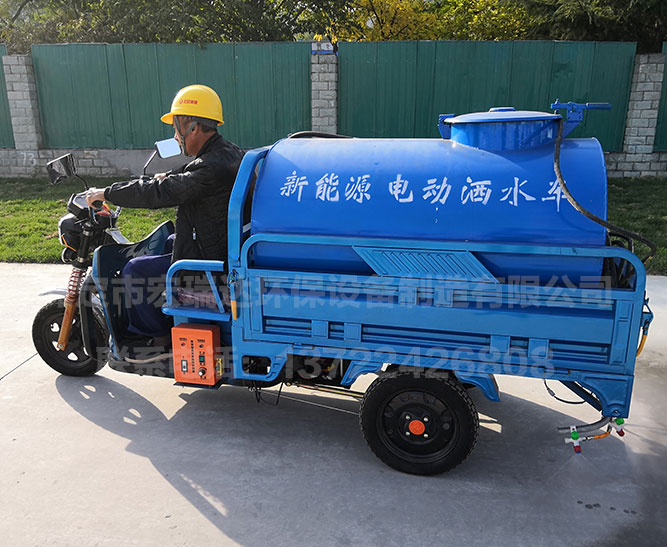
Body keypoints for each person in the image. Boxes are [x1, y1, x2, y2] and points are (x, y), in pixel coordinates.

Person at [85, 84, 244, 339]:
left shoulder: (210, 168)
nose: (176, 136)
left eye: (176, 127)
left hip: (214, 267)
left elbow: (158, 193)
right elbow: (191, 173)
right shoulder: (229, 152)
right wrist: (168, 175)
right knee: (169, 241)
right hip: (222, 244)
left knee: (135, 270)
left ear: (193, 127)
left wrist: (107, 193)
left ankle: (153, 339)